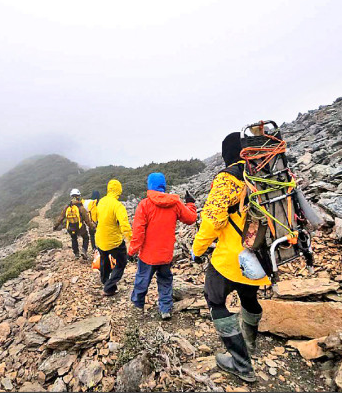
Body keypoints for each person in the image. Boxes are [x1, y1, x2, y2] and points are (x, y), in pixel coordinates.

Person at [192, 132, 270, 383]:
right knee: (248, 296)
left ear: (227, 154)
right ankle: (250, 343)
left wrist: (197, 248)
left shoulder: (229, 179)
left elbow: (213, 220)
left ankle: (241, 362)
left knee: (215, 300)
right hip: (259, 256)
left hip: (231, 257)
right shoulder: (261, 175)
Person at [128, 172, 197, 320]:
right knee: (165, 280)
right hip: (166, 254)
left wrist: (131, 250)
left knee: (142, 279)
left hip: (148, 255)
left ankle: (138, 305)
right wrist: (191, 204)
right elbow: (191, 219)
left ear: (149, 185)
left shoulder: (144, 205)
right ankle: (165, 309)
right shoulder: (175, 203)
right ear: (163, 186)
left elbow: (138, 232)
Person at [92, 179, 132, 296]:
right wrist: (130, 238)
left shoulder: (101, 202)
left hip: (100, 239)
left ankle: (106, 282)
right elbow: (124, 224)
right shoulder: (117, 205)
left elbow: (95, 218)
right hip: (114, 241)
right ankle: (109, 287)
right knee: (121, 262)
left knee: (105, 261)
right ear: (119, 190)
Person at [54, 189, 95, 259]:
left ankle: (76, 254)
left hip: (70, 227)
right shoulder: (81, 207)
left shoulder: (67, 207)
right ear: (78, 196)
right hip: (80, 227)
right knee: (86, 237)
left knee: (74, 238)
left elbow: (61, 217)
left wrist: (55, 226)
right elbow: (87, 220)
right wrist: (92, 227)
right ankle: (84, 250)